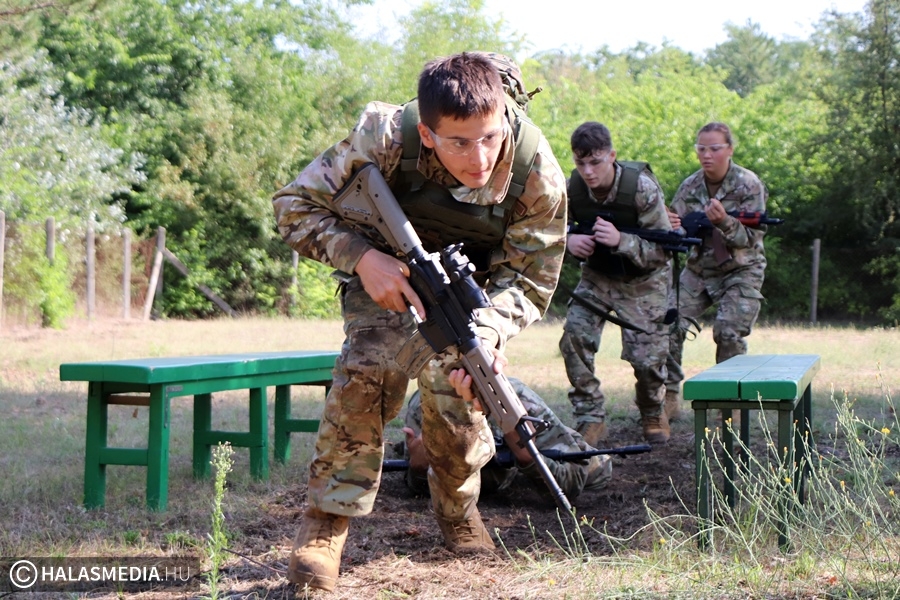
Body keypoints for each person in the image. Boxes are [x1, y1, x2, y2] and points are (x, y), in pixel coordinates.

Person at [271, 52, 566, 592]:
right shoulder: (384, 137)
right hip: (385, 274)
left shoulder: (535, 172)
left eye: (489, 137)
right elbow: (293, 206)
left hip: (473, 298)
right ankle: (325, 527)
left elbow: (532, 277)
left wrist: (491, 332)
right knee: (367, 370)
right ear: (428, 135)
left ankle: (458, 511)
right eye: (458, 142)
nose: (479, 157)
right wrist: (361, 258)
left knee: (461, 386)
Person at [558, 122, 673, 446]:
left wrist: (622, 240)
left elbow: (664, 250)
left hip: (643, 281)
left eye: (595, 162)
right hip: (597, 276)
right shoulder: (573, 189)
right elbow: (546, 228)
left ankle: (652, 409)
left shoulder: (642, 189)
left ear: (612, 156)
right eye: (581, 163)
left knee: (647, 358)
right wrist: (568, 240)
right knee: (574, 338)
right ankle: (590, 417)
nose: (588, 171)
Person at [664, 122, 768, 412]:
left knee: (728, 332)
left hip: (741, 270)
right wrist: (675, 227)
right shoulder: (690, 187)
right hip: (699, 270)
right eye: (701, 148)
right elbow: (678, 232)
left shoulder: (749, 185)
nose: (706, 155)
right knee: (667, 325)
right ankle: (669, 396)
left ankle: (731, 405)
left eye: (714, 148)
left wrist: (723, 221)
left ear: (730, 150)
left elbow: (750, 239)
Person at [400, 377, 612, 500]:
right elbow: (419, 489)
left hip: (544, 465)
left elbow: (573, 481)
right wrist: (419, 468)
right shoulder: (427, 404)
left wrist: (529, 459)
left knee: (598, 469)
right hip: (482, 479)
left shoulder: (517, 401)